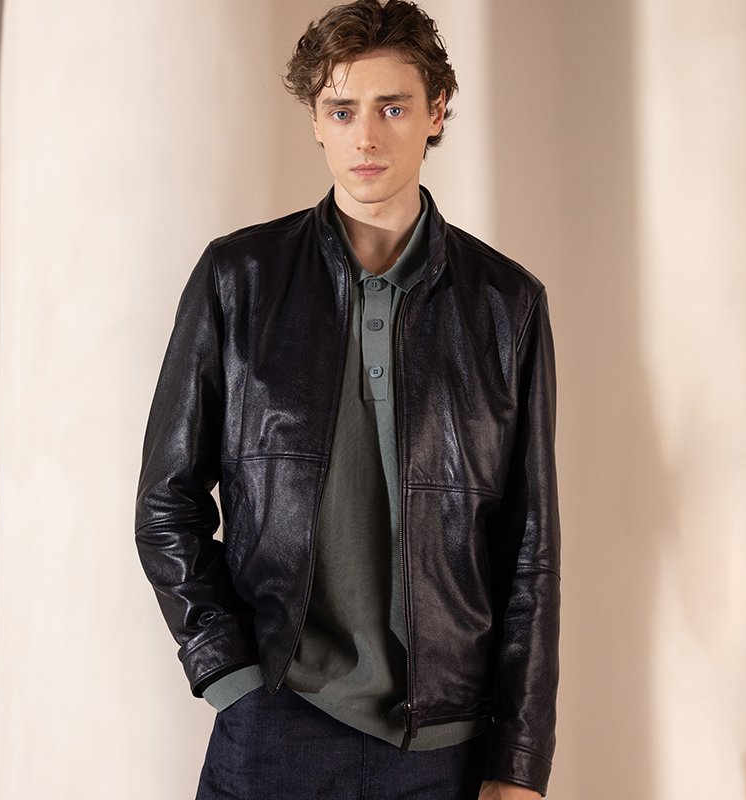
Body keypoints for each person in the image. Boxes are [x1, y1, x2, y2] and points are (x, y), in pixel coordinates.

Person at [134, 1, 561, 797]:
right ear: (316, 122)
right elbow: (166, 502)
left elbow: (529, 550)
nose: (365, 137)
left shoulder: (507, 305)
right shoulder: (239, 280)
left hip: (444, 746)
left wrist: (519, 757)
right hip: (275, 726)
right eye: (342, 110)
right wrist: (230, 674)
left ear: (436, 112)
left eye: (392, 108)